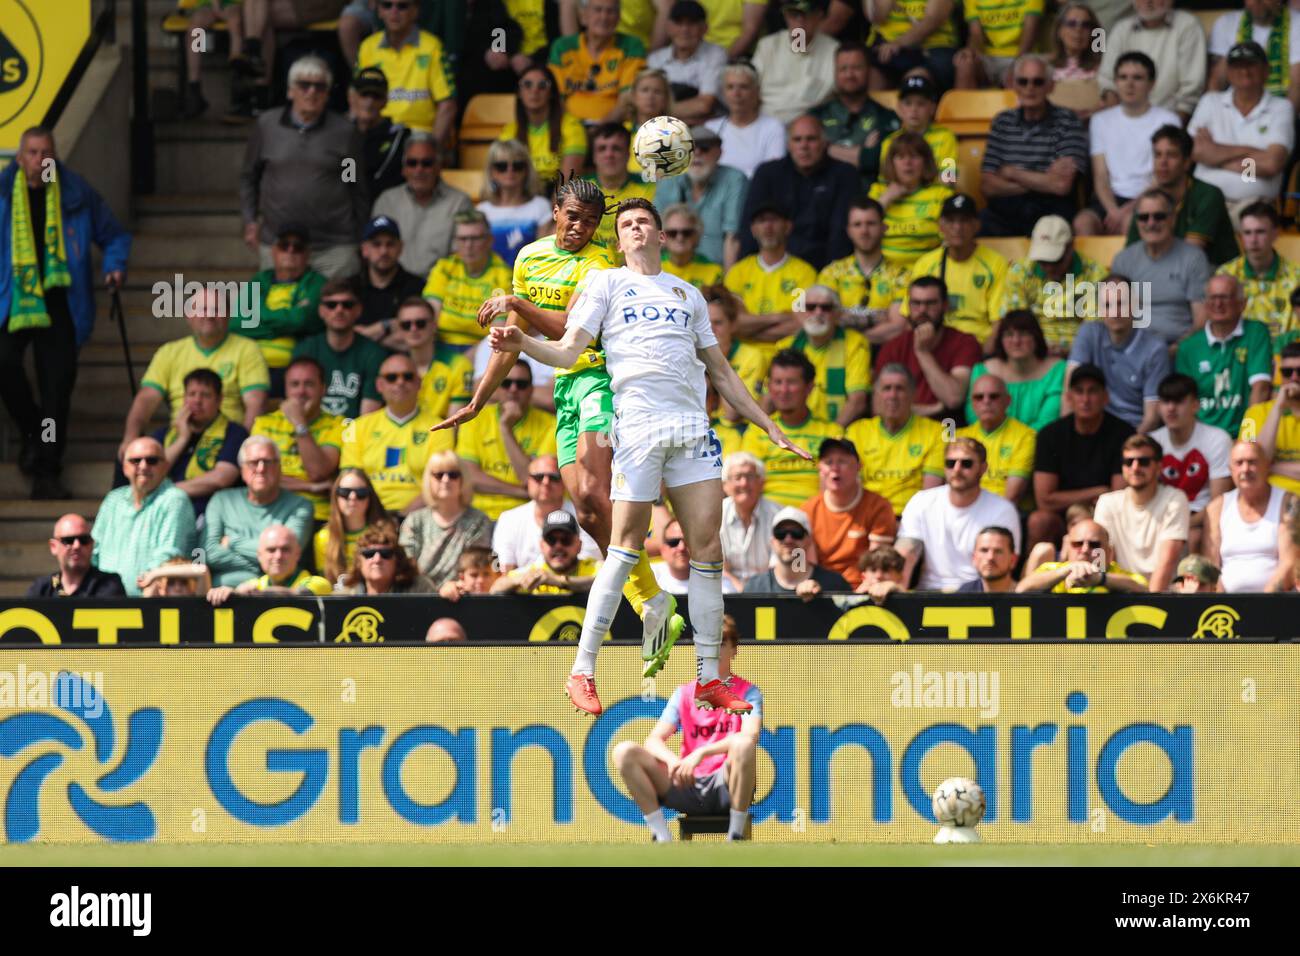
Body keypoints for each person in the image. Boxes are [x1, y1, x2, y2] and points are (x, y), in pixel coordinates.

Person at [490, 196, 806, 715]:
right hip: (637, 428)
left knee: (709, 551)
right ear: (618, 241)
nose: (636, 229)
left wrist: (767, 424)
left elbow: (722, 372)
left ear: (661, 236)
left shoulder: (689, 294)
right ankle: (583, 670)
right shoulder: (606, 283)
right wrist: (521, 339)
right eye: (627, 224)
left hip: (692, 430)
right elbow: (568, 352)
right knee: (625, 546)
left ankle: (708, 678)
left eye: (645, 222)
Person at [439, 178, 683, 685]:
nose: (581, 228)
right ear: (556, 212)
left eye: (592, 221)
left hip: (600, 380)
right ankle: (653, 602)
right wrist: (478, 401)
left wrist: (514, 305)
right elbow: (511, 345)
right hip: (565, 392)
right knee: (588, 511)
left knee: (596, 490)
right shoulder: (528, 258)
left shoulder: (600, 264)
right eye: (574, 217)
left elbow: (567, 332)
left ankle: (651, 603)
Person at [2, 127, 131, 499]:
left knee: (56, 393)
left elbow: (115, 236)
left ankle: (47, 468)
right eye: (32, 153)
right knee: (4, 363)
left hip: (63, 304)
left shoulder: (75, 193)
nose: (40, 160)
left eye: (46, 154)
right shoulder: (2, 194)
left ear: (55, 157)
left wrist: (115, 264)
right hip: (14, 299)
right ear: (20, 158)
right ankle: (33, 430)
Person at [613, 614, 760, 843]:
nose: (713, 651)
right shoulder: (683, 693)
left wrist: (701, 753)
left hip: (726, 783)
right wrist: (673, 762)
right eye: (706, 645)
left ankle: (736, 834)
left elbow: (750, 736)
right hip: (686, 782)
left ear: (734, 650)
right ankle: (661, 835)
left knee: (743, 744)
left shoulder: (748, 692)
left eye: (720, 643)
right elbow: (653, 740)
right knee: (624, 751)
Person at [239, 56, 368, 279]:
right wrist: (250, 220)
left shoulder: (345, 133)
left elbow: (353, 184)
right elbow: (250, 176)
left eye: (319, 86)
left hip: (334, 248)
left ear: (327, 94)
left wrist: (360, 235)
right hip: (280, 246)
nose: (311, 92)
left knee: (335, 310)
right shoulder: (267, 126)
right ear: (290, 91)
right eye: (304, 85)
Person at [123, 288, 268, 458]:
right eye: (202, 309)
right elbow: (146, 398)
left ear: (229, 314)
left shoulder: (247, 349)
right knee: (131, 456)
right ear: (188, 315)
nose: (209, 315)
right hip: (178, 435)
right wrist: (130, 438)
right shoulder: (169, 352)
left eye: (217, 309)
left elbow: (256, 403)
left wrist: (243, 445)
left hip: (226, 439)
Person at [980, 54, 1088, 238]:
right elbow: (988, 186)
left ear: (1050, 86)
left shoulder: (1068, 121)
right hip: (1006, 210)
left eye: (1038, 82)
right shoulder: (1002, 122)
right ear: (1014, 85)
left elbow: (1061, 185)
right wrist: (1042, 180)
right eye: (1023, 81)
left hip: (1051, 209)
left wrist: (1012, 173)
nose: (1030, 88)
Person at [1188, 41, 1294, 226]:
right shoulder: (1210, 101)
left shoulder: (1281, 107)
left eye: (1251, 65)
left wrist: (1214, 157)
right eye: (1238, 66)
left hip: (1254, 206)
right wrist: (1253, 154)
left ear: (1266, 71)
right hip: (1204, 201)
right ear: (1228, 72)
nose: (1244, 72)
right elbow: (1193, 151)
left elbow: (1271, 164)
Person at [1075, 52, 1181, 238]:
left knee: (1130, 222)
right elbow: (1100, 176)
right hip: (1110, 198)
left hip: (1152, 195)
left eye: (1137, 78)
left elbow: (1164, 177)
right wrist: (1113, 210)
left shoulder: (1168, 120)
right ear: (1115, 82)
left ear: (1152, 83)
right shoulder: (1100, 120)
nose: (1129, 84)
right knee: (1083, 223)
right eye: (1123, 77)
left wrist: (1125, 211)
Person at [1028, 363, 1133, 550]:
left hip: (1104, 516)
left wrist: (1087, 503)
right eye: (1079, 391)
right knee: (1039, 521)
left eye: (1092, 391)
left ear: (1105, 398)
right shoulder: (1049, 435)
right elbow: (1044, 500)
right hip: (1061, 517)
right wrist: (1097, 491)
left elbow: (1118, 498)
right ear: (1069, 397)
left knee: (1109, 521)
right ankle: (1036, 575)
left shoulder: (1123, 434)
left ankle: (1102, 575)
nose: (1085, 399)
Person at [897, 437, 1021, 591]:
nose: (957, 469)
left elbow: (1006, 563)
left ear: (983, 468)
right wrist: (898, 589)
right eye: (950, 463)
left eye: (966, 463)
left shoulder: (1003, 509)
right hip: (929, 593)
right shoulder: (921, 502)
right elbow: (906, 552)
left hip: (979, 594)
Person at [740, 118, 861, 273]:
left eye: (811, 139)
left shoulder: (845, 174)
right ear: (788, 145)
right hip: (772, 268)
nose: (804, 146)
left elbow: (840, 235)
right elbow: (750, 228)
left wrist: (830, 276)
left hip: (825, 268)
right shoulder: (768, 173)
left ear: (824, 143)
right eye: (797, 140)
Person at [341, 352, 454, 514]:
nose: (400, 382)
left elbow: (440, 483)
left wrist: (401, 517)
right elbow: (350, 480)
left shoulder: (440, 427)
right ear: (379, 385)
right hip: (367, 514)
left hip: (421, 515)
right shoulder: (358, 427)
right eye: (391, 378)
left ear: (419, 383)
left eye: (407, 377)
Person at [92, 438, 198, 597]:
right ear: (124, 467)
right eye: (135, 461)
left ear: (165, 466)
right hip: (104, 602)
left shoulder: (175, 499)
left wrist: (146, 588)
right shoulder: (112, 500)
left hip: (152, 603)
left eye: (152, 460)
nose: (143, 466)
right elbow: (95, 550)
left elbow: (169, 554)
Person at [203, 436, 314, 587]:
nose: (261, 469)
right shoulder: (221, 501)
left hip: (279, 594)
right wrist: (264, 570)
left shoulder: (301, 506)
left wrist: (233, 542)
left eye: (268, 462)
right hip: (223, 597)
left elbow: (288, 555)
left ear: (279, 468)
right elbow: (209, 553)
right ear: (242, 470)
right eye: (253, 463)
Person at [1066, 274, 1171, 433]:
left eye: (1121, 304)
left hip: (1134, 431)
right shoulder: (1088, 333)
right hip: (1094, 427)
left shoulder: (1155, 349)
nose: (1115, 313)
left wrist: (1124, 449)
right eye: (1108, 305)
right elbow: (1070, 391)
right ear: (1100, 310)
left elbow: (1151, 419)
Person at [456, 358, 557, 520]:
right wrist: (519, 491)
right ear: (496, 388)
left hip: (528, 515)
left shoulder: (551, 425)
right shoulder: (474, 420)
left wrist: (505, 429)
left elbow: (530, 479)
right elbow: (469, 477)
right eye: (506, 383)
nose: (513, 389)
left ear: (531, 390)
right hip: (480, 514)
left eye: (521, 384)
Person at [1124, 125, 1237, 268]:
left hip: (1215, 275)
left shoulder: (1208, 195)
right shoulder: (1148, 201)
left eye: (1171, 155)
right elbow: (1131, 253)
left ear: (1187, 162)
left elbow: (1190, 255)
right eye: (1158, 155)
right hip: (1165, 272)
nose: (1162, 162)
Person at [740, 349, 843, 507]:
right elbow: (748, 482)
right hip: (767, 517)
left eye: (792, 382)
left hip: (815, 517)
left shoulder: (832, 433)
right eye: (778, 382)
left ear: (809, 387)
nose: (784, 390)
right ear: (769, 386)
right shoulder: (757, 431)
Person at [1174, 274, 1273, 438]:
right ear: (1205, 303)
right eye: (1212, 298)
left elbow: (1260, 389)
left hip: (1243, 434)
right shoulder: (1188, 347)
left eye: (1225, 298)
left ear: (1242, 303)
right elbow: (1185, 400)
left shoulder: (1256, 332)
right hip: (1203, 439)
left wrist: (1247, 437)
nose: (1218, 304)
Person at [1111, 189, 1212, 348]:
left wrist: (1177, 348)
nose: (1151, 223)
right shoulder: (1123, 260)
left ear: (1172, 219)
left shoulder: (1193, 258)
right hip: (1134, 348)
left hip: (1179, 347)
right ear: (1136, 222)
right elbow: (1115, 314)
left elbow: (1201, 319)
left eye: (1159, 216)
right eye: (1144, 217)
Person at [874, 276, 982, 421]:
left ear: (945, 305)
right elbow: (878, 408)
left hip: (947, 424)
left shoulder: (964, 342)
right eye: (916, 303)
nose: (922, 310)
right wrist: (934, 408)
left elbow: (953, 399)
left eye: (930, 303)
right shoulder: (893, 346)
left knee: (950, 434)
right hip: (904, 427)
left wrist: (922, 352)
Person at [998, 216, 1108, 358]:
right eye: (1042, 261)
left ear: (1071, 247)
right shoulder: (1020, 272)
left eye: (1056, 260)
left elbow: (1094, 329)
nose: (1049, 268)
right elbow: (1015, 323)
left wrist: (1070, 350)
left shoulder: (1095, 274)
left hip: (1080, 353)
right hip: (1029, 351)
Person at [1149, 373, 1234, 554]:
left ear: (1196, 405)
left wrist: (1181, 526)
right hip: (1161, 518)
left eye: (1179, 401)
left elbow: (1219, 501)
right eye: (1165, 401)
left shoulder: (1218, 439)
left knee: (1194, 537)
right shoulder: (1151, 442)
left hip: (1202, 518)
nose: (1171, 408)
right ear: (1158, 407)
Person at [1092, 433, 1189, 592]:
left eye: (1143, 462)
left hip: (1163, 595)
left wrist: (1149, 604)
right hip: (1117, 592)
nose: (1135, 467)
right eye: (1128, 462)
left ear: (1159, 467)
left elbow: (1167, 562)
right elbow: (1101, 555)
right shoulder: (1107, 502)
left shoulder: (1175, 499)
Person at [231, 225, 326, 385]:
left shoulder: (317, 283)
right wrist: (288, 325)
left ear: (307, 254)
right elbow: (236, 323)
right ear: (274, 251)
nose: (290, 251)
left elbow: (301, 319)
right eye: (284, 246)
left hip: (296, 368)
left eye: (298, 247)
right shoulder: (259, 281)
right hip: (252, 364)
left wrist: (260, 317)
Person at [252, 356, 342, 523]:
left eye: (309, 384)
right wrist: (310, 487)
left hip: (316, 515)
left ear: (323, 389)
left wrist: (299, 423)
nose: (301, 391)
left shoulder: (338, 425)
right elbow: (256, 477)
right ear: (286, 389)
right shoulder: (264, 424)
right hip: (269, 511)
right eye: (294, 384)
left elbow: (317, 472)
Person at [907, 194, 1008, 343]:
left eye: (964, 221)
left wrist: (988, 353)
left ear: (977, 225)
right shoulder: (926, 263)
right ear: (941, 226)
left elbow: (999, 320)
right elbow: (910, 315)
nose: (957, 227)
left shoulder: (995, 263)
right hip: (936, 342)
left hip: (977, 342)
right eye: (951, 221)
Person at [846, 364, 945, 516]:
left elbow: (929, 496)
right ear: (876, 394)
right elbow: (851, 488)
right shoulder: (856, 431)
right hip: (866, 519)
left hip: (911, 520)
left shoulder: (937, 432)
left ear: (914, 395)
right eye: (886, 388)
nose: (893, 395)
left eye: (900, 389)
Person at [372, 134, 475, 279]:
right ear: (404, 169)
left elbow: (461, 256)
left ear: (439, 166)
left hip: (440, 287)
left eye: (426, 163)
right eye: (412, 163)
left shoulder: (459, 202)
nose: (418, 169)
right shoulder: (387, 201)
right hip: (394, 285)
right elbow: (375, 251)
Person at [724, 204, 817, 362]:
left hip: (789, 357)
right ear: (753, 229)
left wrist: (751, 326)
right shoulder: (738, 272)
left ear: (788, 227)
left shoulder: (804, 272)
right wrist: (780, 317)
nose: (768, 226)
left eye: (774, 220)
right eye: (761, 221)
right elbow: (733, 323)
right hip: (743, 359)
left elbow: (800, 323)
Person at [150, 368, 247, 517]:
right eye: (191, 394)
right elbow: (152, 472)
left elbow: (221, 478)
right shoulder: (164, 434)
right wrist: (182, 439)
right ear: (184, 398)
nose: (197, 400)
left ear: (219, 400)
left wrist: (168, 492)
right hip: (164, 510)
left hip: (210, 512)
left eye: (206, 395)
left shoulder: (235, 433)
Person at [356, 0, 457, 142]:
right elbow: (355, 95)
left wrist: (432, 150)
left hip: (419, 136)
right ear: (379, 11)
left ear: (415, 11)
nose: (394, 12)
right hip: (378, 133)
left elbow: (447, 105)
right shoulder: (367, 47)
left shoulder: (432, 46)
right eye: (387, 5)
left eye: (402, 6)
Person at [801, 437, 896, 587]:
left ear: (859, 466)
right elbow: (803, 561)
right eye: (828, 462)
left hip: (864, 589)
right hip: (820, 593)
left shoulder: (879, 506)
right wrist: (806, 585)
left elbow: (877, 563)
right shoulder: (808, 509)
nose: (835, 468)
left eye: (842, 461)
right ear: (820, 468)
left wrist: (857, 599)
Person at [1204, 440, 1296, 592]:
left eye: (1252, 462)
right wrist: (1224, 604)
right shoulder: (1217, 508)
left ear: (1268, 466)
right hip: (1226, 608)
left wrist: (1260, 605)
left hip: (1275, 605)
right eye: (1239, 463)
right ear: (1230, 469)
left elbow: (1290, 562)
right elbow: (1210, 566)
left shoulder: (1289, 503)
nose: (1245, 469)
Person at [291, 277, 390, 420]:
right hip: (313, 433)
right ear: (321, 311)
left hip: (354, 436)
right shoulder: (305, 350)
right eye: (331, 305)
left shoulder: (374, 354)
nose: (339, 310)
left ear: (358, 310)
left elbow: (367, 418)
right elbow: (297, 405)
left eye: (347, 305)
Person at [816, 197, 908, 345]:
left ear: (884, 228)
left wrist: (848, 323)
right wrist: (879, 317)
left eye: (871, 224)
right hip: (839, 352)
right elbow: (823, 319)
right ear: (849, 231)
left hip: (884, 351)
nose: (864, 231)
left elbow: (898, 327)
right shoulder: (832, 273)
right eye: (857, 224)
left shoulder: (902, 275)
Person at [423, 213, 514, 361]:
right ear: (455, 242)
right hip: (439, 346)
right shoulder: (444, 268)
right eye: (463, 239)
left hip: (480, 350)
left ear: (489, 240)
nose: (468, 245)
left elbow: (498, 329)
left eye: (475, 238)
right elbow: (429, 317)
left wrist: (462, 363)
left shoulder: (503, 276)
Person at [1097, 0, 1206, 124]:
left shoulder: (1188, 25)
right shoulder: (1121, 29)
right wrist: (1119, 123)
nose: (1148, 2)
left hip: (1168, 123)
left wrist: (1170, 132)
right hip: (1124, 119)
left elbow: (1190, 92)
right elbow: (1108, 82)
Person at [654, 128, 747, 270]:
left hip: (714, 274)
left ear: (719, 153)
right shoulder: (669, 180)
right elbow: (655, 234)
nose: (696, 154)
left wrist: (727, 286)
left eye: (704, 149)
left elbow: (732, 238)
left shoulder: (734, 180)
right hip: (672, 272)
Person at [774, 286, 869, 425]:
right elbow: (770, 397)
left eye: (826, 308)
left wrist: (829, 438)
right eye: (811, 307)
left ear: (838, 314)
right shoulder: (786, 346)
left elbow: (857, 401)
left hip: (835, 432)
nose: (818, 313)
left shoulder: (855, 344)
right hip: (791, 431)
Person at [812, 44, 901, 190]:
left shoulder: (886, 116)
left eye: (856, 68)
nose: (849, 75)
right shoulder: (816, 115)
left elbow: (877, 160)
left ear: (869, 71)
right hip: (822, 194)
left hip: (867, 198)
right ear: (835, 73)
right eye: (843, 69)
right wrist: (862, 151)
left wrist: (827, 149)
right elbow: (805, 155)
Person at [398, 450, 493, 586]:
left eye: (453, 475)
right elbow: (407, 567)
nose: (446, 480)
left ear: (463, 479)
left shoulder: (479, 520)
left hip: (462, 597)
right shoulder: (414, 521)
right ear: (429, 480)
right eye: (438, 475)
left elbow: (476, 568)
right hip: (420, 596)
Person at [493, 454, 601, 572]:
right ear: (528, 481)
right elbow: (503, 571)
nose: (546, 482)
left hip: (578, 588)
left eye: (554, 477)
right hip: (522, 589)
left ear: (564, 481)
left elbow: (589, 566)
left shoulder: (584, 515)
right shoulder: (508, 520)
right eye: (538, 477)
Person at [965, 310, 1066, 432]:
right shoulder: (983, 371)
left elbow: (1048, 422)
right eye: (1009, 334)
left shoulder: (1057, 371)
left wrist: (1018, 443)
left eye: (1023, 334)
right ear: (1000, 340)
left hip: (1041, 445)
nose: (1016, 341)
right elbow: (974, 417)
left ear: (1036, 337)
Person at [549, 0, 647, 124]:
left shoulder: (631, 46)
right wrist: (573, 129)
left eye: (610, 11)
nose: (604, 17)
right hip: (570, 128)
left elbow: (627, 99)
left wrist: (601, 128)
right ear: (584, 16)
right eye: (598, 10)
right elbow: (556, 98)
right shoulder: (563, 47)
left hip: (614, 128)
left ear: (618, 18)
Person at [1218, 202, 1300, 347]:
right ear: (1240, 237)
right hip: (1240, 357)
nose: (1253, 240)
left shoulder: (1297, 276)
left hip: (1287, 359)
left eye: (1260, 232)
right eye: (1247, 233)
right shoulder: (1225, 276)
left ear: (1275, 234)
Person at [499, 65, 589, 194]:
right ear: (519, 92)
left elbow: (567, 183)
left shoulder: (572, 127)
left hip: (556, 196)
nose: (534, 90)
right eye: (527, 84)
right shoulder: (509, 131)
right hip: (521, 195)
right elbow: (504, 175)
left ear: (552, 92)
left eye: (542, 85)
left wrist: (552, 210)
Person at [868, 133, 952, 268]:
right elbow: (863, 232)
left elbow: (949, 242)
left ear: (925, 162)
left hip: (926, 274)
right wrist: (886, 198)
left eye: (914, 156)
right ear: (891, 162)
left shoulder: (941, 195)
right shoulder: (877, 192)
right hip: (882, 273)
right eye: (900, 157)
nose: (907, 163)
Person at [752, 0, 838, 125]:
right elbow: (749, 87)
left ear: (819, 16)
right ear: (785, 16)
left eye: (805, 14)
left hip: (810, 129)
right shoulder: (767, 46)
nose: (800, 21)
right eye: (794, 15)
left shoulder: (834, 51)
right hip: (765, 124)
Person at [957, 373, 1036, 506]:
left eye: (994, 396)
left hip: (1004, 512)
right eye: (979, 397)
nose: (986, 401)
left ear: (1008, 400)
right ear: (971, 403)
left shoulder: (1026, 436)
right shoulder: (959, 437)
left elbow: (1012, 496)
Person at [206, 524, 334, 605]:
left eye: (285, 550)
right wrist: (226, 595)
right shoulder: (253, 585)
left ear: (298, 554)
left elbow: (298, 595)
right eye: (271, 550)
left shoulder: (317, 582)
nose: (278, 556)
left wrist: (244, 595)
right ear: (259, 555)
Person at [1208, 0, 1300, 111]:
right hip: (1233, 112)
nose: (1257, 1)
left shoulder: (1297, 23)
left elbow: (1296, 84)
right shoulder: (1227, 23)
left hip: (1280, 110)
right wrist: (1215, 116)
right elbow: (1217, 80)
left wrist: (1282, 118)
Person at [646, 1, 727, 125]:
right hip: (664, 128)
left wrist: (657, 112)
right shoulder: (655, 59)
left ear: (704, 28)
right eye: (679, 23)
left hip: (706, 130)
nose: (685, 29)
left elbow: (704, 105)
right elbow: (644, 105)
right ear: (668, 27)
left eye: (692, 23)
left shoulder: (716, 55)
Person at [1016, 518, 1149, 593]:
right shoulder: (1052, 569)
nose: (1085, 550)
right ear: (1068, 548)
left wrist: (1100, 579)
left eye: (1094, 544)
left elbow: (1144, 590)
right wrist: (1065, 571)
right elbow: (1022, 589)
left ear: (1109, 552)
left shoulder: (1119, 574)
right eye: (1078, 544)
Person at [703, 62, 788, 180]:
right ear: (723, 93)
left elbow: (773, 174)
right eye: (730, 87)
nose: (736, 94)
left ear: (757, 92)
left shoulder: (773, 127)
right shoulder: (711, 128)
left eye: (744, 87)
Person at [743, 506, 850, 598]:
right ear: (772, 541)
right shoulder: (755, 588)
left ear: (809, 540)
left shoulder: (834, 585)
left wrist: (821, 598)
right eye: (780, 533)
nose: (788, 540)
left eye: (796, 533)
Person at [477, 141, 554, 268]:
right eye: (502, 166)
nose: (510, 170)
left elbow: (544, 255)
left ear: (526, 170)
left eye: (517, 166)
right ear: (491, 172)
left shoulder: (540, 207)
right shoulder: (482, 211)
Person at [585, 123, 657, 257]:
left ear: (628, 155)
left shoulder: (649, 188)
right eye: (602, 148)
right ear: (594, 156)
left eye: (616, 148)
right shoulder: (581, 188)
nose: (609, 154)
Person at [393, 298, 473, 418]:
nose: (413, 329)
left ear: (434, 325)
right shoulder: (391, 367)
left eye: (421, 323)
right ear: (399, 329)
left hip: (442, 434)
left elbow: (455, 423)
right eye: (406, 325)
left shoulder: (458, 365)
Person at [490, 509, 601, 595]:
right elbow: (495, 589)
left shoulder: (595, 568)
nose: (558, 546)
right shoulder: (535, 573)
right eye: (551, 540)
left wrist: (559, 581)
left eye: (566, 540)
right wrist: (519, 581)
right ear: (542, 545)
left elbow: (609, 584)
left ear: (579, 545)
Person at [1241, 342, 1300, 496]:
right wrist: (1278, 408)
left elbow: (1260, 466)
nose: (1294, 378)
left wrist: (1270, 467)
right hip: (1265, 502)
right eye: (1287, 372)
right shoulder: (1253, 414)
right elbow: (1250, 465)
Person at [719, 451, 782, 591]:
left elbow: (779, 567)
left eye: (750, 477)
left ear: (761, 483)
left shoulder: (779, 516)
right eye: (737, 477)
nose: (744, 483)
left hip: (769, 590)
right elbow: (718, 568)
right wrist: (742, 592)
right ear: (725, 486)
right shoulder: (715, 514)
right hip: (728, 592)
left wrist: (752, 592)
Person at [353, 216, 426, 336]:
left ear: (400, 247)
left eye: (390, 244)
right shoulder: (350, 287)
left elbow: (416, 334)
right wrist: (391, 326)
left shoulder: (417, 287)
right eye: (377, 244)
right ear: (364, 249)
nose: (384, 251)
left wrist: (371, 332)